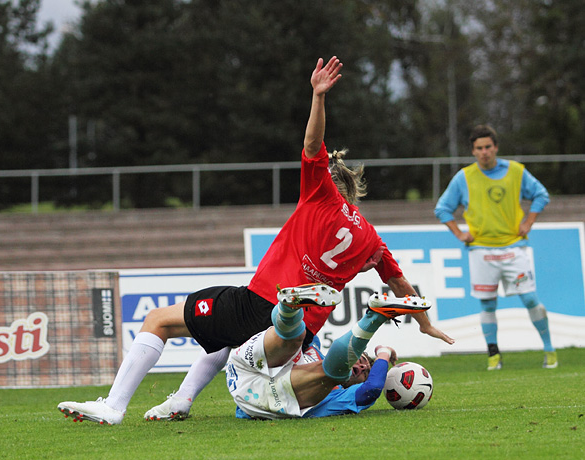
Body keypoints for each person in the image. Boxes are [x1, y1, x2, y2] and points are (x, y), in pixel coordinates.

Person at [58, 56, 454, 425]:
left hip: (260, 301)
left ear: (329, 183)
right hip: (302, 335)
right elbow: (401, 286)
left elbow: (313, 145)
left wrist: (317, 97)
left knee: (158, 320)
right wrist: (425, 325)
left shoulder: (319, 194)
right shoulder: (372, 241)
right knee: (228, 339)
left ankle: (113, 406)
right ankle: (182, 398)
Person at [434, 124, 556, 370]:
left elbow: (541, 195)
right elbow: (442, 208)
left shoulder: (516, 171)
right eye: (479, 148)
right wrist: (459, 233)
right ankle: (494, 355)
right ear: (473, 151)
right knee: (487, 303)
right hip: (481, 251)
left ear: (496, 147)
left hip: (514, 247)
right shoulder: (464, 177)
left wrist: (529, 221)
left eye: (488, 147)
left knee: (530, 298)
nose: (484, 152)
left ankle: (549, 350)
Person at [226, 285, 415, 419]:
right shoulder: (315, 350)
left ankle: (375, 316)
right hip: (244, 368)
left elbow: (372, 389)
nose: (362, 366)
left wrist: (383, 353)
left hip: (256, 395)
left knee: (338, 372)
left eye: (365, 372)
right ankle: (289, 307)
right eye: (362, 359)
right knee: (296, 337)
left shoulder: (341, 398)